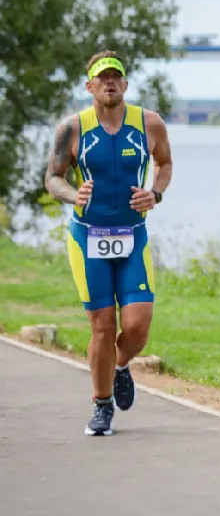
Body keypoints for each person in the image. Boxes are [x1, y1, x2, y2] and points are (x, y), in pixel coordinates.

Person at [43, 50, 173, 437]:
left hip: (133, 236)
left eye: (116, 77)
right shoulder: (72, 129)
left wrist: (156, 194)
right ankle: (102, 407)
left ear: (126, 84)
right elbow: (53, 177)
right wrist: (73, 195)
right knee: (102, 326)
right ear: (90, 86)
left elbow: (164, 165)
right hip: (88, 240)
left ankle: (118, 367)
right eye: (102, 78)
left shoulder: (149, 124)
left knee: (137, 326)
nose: (109, 82)